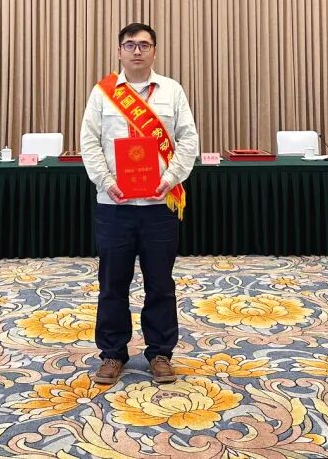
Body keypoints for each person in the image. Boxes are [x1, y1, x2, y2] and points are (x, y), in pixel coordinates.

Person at [80, 22, 199, 387]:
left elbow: (188, 140)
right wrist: (106, 181)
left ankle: (160, 353)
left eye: (144, 45)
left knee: (160, 283)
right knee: (112, 283)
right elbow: (89, 141)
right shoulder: (103, 93)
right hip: (114, 205)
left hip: (159, 206)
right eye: (130, 45)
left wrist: (171, 178)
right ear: (119, 51)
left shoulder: (172, 90)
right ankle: (113, 353)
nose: (137, 51)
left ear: (154, 51)